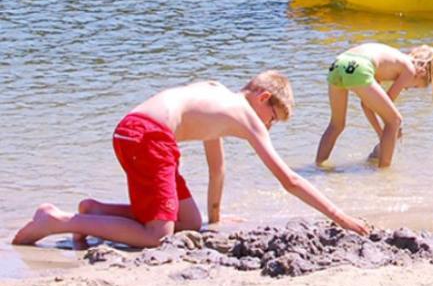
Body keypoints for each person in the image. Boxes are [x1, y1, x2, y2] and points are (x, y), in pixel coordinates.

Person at [12, 73, 369, 249]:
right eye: (272, 119)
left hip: (135, 131)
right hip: (149, 138)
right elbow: (288, 179)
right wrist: (342, 218)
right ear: (262, 99)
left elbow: (217, 167)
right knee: (157, 235)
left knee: (189, 221)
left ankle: (93, 211)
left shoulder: (217, 93)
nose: (268, 126)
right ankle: (58, 221)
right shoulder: (245, 116)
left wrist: (215, 219)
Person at [316, 43, 433, 169]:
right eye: (415, 86)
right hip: (360, 66)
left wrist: (381, 134)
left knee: (336, 124)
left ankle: (318, 166)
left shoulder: (390, 61)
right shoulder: (409, 69)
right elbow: (389, 114)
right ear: (422, 72)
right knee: (395, 121)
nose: (407, 89)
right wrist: (390, 133)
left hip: (338, 63)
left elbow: (366, 105)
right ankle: (384, 173)